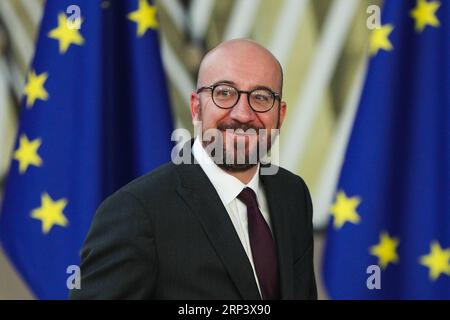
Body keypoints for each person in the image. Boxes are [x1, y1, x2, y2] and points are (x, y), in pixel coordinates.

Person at [70, 39, 317, 300]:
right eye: (224, 93)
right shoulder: (136, 212)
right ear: (196, 107)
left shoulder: (293, 194)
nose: (243, 114)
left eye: (261, 97)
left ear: (280, 114)